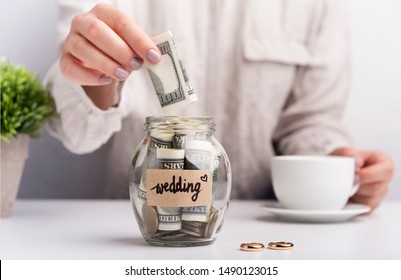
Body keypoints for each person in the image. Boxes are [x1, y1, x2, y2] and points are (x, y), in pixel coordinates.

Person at [45, 0, 393, 210]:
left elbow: (309, 121)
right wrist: (98, 74)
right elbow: (76, 131)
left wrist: (340, 169)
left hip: (266, 231)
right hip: (135, 226)